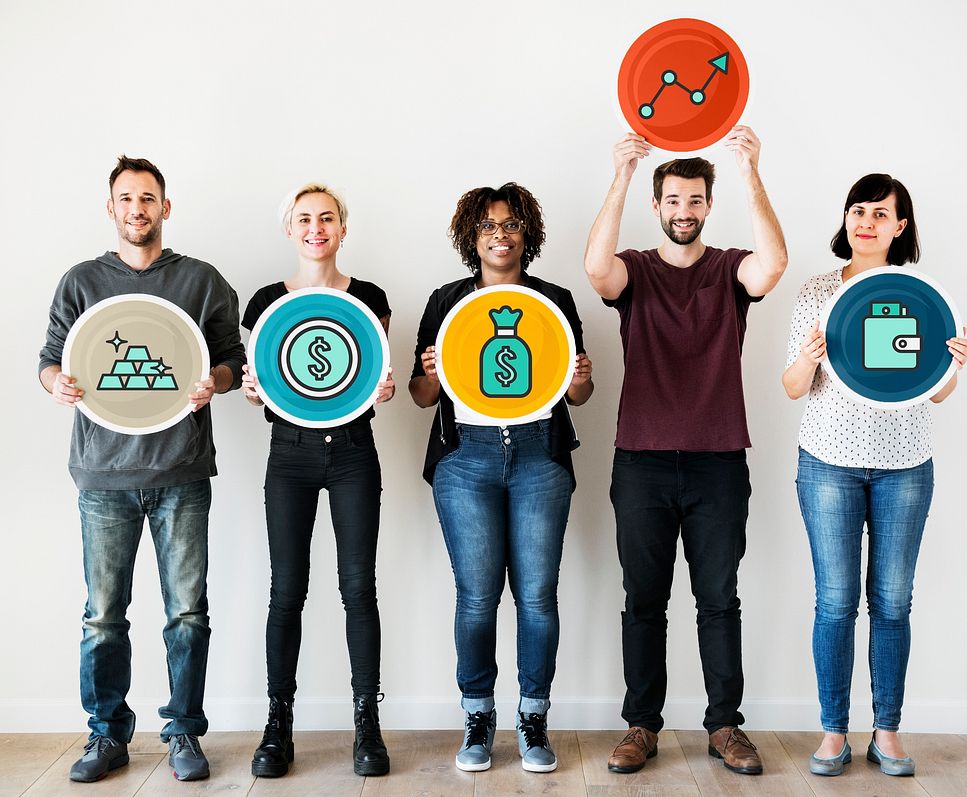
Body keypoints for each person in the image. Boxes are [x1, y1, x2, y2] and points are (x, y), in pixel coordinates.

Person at [583, 128, 787, 776]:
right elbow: (596, 269)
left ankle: (725, 725)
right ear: (657, 205)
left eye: (694, 200)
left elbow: (773, 264)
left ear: (707, 204)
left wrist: (750, 170)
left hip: (718, 461)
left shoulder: (729, 268)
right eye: (673, 200)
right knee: (644, 598)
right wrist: (619, 174)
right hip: (641, 460)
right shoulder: (636, 269)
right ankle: (641, 725)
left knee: (718, 598)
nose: (683, 211)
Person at [38, 156, 246, 783]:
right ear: (111, 208)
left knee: (187, 612)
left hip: (182, 471)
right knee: (103, 615)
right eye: (126, 198)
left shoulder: (202, 282)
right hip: (102, 475)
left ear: (165, 207)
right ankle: (106, 736)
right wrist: (58, 386)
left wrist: (216, 381)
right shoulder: (80, 283)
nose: (137, 209)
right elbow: (51, 359)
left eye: (148, 198)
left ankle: (183, 731)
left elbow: (234, 360)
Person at [782, 174, 967, 777]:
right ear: (846, 219)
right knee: (835, 602)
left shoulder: (921, 294)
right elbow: (790, 388)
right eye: (858, 210)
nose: (866, 221)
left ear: (900, 227)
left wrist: (954, 365)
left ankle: (886, 732)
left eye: (880, 214)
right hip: (827, 463)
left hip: (906, 466)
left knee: (891, 602)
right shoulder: (816, 292)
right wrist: (809, 358)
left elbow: (936, 393)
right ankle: (833, 733)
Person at [409, 183, 593, 773]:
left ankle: (534, 718)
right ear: (472, 235)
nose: (500, 234)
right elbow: (419, 398)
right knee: (477, 596)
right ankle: (479, 715)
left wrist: (580, 377)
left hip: (540, 455)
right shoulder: (445, 301)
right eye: (488, 225)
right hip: (466, 459)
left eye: (511, 224)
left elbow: (579, 395)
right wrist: (431, 373)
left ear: (526, 235)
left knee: (538, 597)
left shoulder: (555, 299)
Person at [241, 184, 395, 778]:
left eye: (326, 218)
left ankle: (367, 726)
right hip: (291, 455)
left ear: (342, 227)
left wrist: (379, 386)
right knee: (287, 590)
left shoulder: (371, 298)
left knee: (359, 589)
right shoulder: (264, 302)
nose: (315, 228)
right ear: (289, 229)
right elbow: (264, 379)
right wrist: (254, 389)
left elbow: (368, 372)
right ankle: (278, 727)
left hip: (355, 453)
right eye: (303, 219)